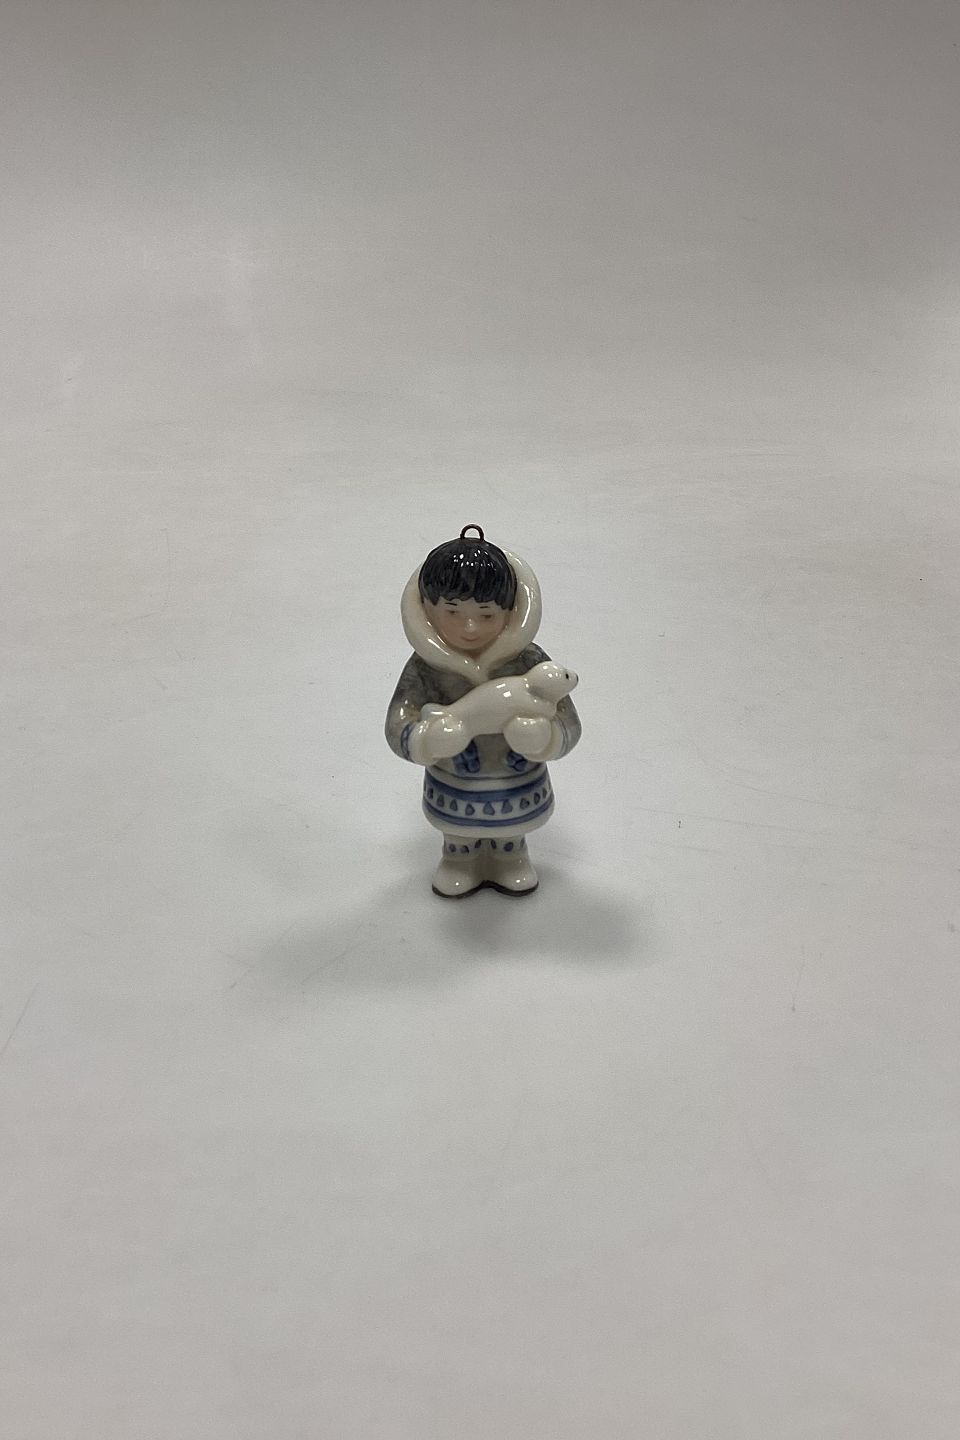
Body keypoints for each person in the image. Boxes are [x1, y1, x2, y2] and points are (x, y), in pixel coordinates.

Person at [385, 525, 581, 897]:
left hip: (513, 776)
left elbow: (569, 722)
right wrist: (426, 739)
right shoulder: (425, 667)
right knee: (458, 831)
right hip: (454, 777)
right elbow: (398, 720)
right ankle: (458, 859)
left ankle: (512, 856)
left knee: (511, 830)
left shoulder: (529, 660)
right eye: (452, 612)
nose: (470, 627)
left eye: (487, 615)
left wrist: (546, 737)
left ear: (510, 612)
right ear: (426, 610)